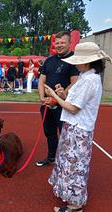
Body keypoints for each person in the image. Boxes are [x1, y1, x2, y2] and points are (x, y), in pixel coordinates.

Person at [44, 42, 112, 212]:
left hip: (78, 129)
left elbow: (73, 108)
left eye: (78, 61)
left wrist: (53, 96)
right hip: (76, 127)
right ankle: (71, 199)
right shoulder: (87, 76)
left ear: (87, 62)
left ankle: (75, 207)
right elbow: (74, 101)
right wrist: (62, 94)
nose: (75, 64)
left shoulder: (89, 80)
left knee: (74, 168)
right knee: (71, 165)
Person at [36, 31, 79, 167]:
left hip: (63, 106)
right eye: (57, 42)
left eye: (62, 43)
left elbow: (75, 82)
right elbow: (42, 80)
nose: (59, 45)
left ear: (69, 43)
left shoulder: (74, 61)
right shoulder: (49, 60)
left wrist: (61, 96)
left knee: (65, 135)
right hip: (47, 105)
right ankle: (51, 158)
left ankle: (66, 161)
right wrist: (43, 98)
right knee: (49, 133)